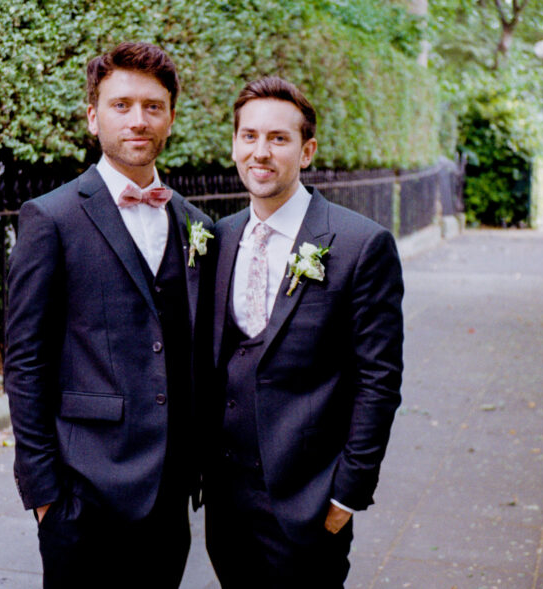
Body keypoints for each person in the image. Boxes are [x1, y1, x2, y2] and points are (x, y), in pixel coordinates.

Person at [4, 41, 213, 588]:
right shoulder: (50, 218)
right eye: (121, 105)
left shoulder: (196, 223)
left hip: (169, 498)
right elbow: (25, 364)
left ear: (171, 117)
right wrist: (46, 496)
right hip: (82, 496)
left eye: (152, 105)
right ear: (93, 116)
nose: (138, 120)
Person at [205, 76, 404, 588]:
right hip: (226, 502)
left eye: (278, 138)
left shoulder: (362, 244)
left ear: (307, 150)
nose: (260, 152)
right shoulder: (220, 238)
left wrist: (346, 495)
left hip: (307, 501)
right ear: (234, 145)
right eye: (248, 136)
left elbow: (378, 380)